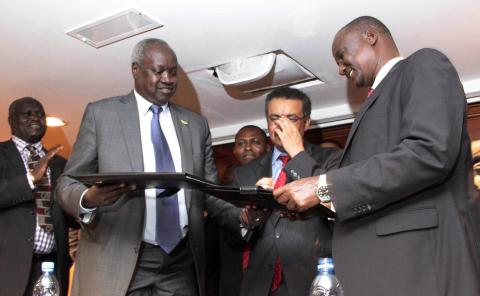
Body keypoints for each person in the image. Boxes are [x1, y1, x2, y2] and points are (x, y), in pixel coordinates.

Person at [274, 16, 480, 295]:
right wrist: (318, 200)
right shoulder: (372, 104)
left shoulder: (424, 64)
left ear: (370, 35)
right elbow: (369, 187)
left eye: (341, 55)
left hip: (417, 269)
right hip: (380, 272)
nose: (338, 69)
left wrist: (324, 187)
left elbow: (429, 152)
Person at [56, 38, 242, 296]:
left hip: (180, 261)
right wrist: (89, 198)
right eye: (158, 71)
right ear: (136, 70)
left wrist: (242, 218)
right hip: (120, 255)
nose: (168, 79)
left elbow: (209, 191)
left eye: (173, 72)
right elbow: (67, 183)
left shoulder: (196, 124)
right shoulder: (102, 115)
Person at [234, 87, 341, 296]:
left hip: (311, 280)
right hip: (259, 285)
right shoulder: (244, 172)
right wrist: (247, 220)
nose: (281, 126)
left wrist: (296, 152)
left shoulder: (332, 158)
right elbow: (231, 234)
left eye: (291, 118)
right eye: (275, 118)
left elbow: (333, 202)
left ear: (306, 123)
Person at [0, 97, 75, 296]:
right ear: (11, 120)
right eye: (28, 114)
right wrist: (32, 178)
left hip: (51, 267)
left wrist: (88, 202)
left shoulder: (61, 163)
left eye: (40, 114)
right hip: (8, 268)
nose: (36, 118)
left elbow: (70, 218)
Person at [216, 125, 269, 296]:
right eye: (241, 143)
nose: (247, 147)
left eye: (255, 142)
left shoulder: (279, 180)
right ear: (234, 150)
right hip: (235, 277)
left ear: (267, 148)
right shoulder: (220, 190)